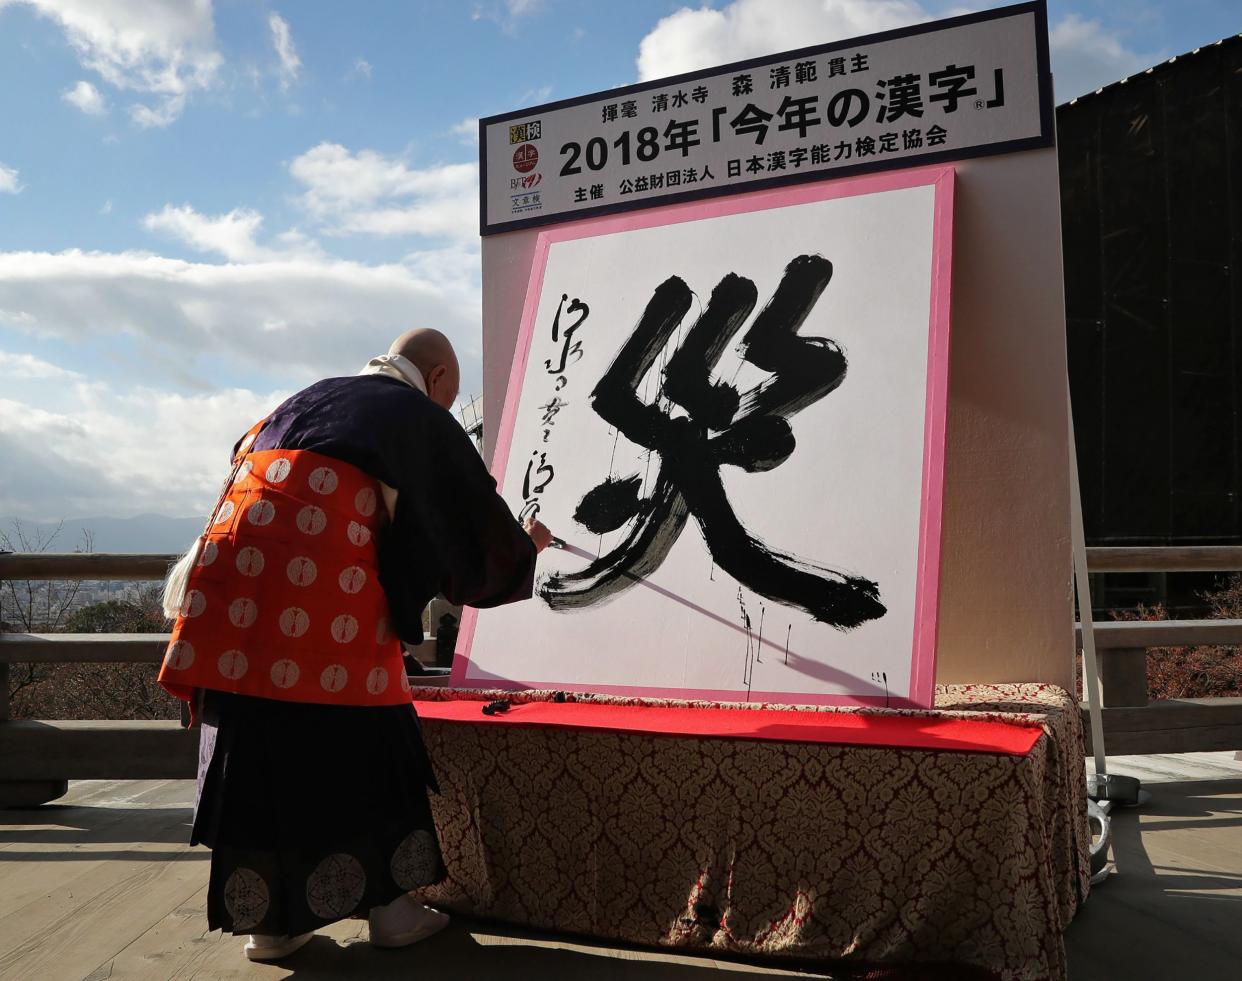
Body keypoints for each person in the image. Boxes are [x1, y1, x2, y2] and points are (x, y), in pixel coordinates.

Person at [158, 328, 551, 961]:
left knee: (261, 745)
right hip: (320, 604)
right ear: (442, 377)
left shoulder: (304, 400)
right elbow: (467, 532)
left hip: (232, 605)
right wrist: (523, 549)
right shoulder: (415, 418)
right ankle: (392, 911)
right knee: (363, 746)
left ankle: (274, 926)